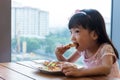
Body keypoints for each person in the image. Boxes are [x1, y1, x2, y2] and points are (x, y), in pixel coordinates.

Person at [55, 9, 120, 78]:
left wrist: (80, 72)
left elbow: (106, 68)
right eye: (71, 32)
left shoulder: (105, 48)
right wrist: (59, 55)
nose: (72, 38)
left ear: (94, 34)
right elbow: (69, 62)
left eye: (77, 31)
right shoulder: (83, 49)